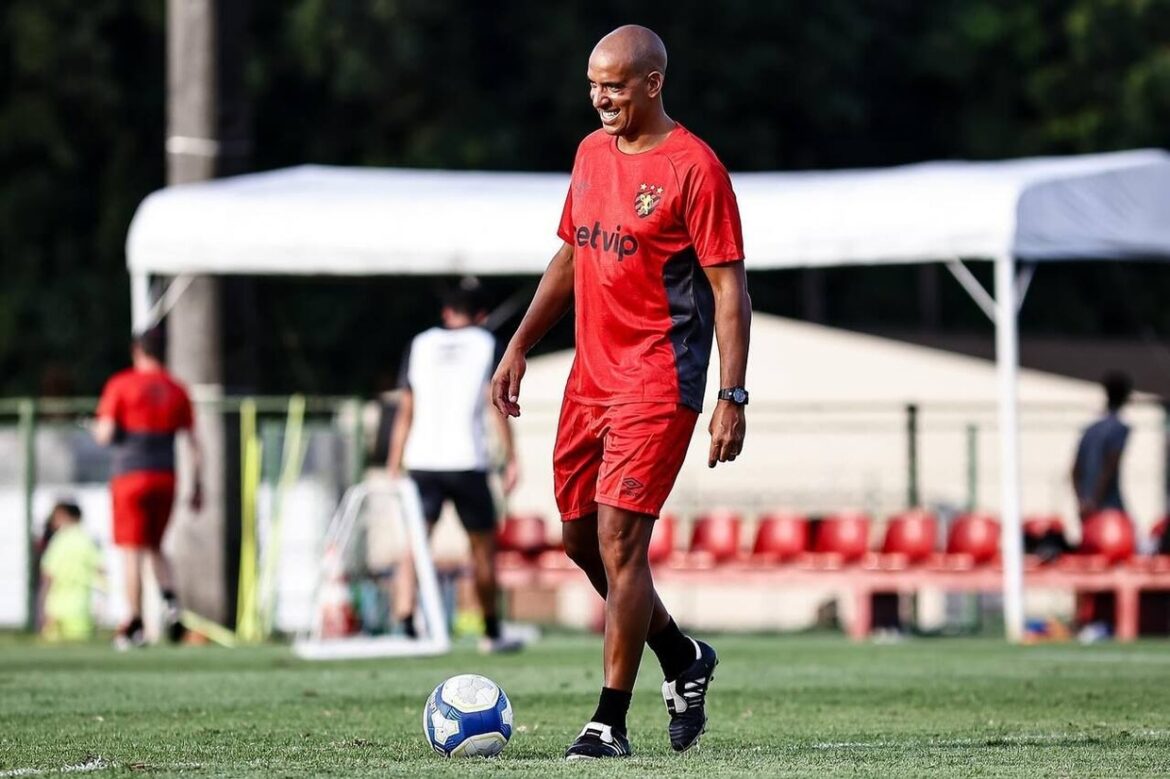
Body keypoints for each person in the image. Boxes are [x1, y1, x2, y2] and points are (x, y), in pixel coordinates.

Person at [491, 25, 751, 760]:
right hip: (588, 382)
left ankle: (608, 720)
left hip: (658, 382)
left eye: (614, 83)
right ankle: (682, 657)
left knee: (620, 540)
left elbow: (730, 290)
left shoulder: (695, 168)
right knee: (579, 541)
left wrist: (732, 392)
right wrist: (517, 345)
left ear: (653, 83)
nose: (601, 96)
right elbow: (572, 254)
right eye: (593, 84)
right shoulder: (588, 153)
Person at [386, 281, 521, 653]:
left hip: (422, 460)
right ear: (482, 316)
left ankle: (404, 620)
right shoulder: (487, 344)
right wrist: (511, 459)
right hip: (468, 462)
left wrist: (393, 463)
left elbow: (405, 410)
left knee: (415, 544)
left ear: (446, 314)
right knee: (481, 549)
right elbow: (496, 406)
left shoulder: (420, 343)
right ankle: (491, 630)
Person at [94, 328, 202, 648]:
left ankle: (134, 623)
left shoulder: (121, 384)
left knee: (132, 551)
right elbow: (194, 443)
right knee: (156, 546)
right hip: (166, 477)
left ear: (136, 351)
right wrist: (198, 485)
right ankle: (171, 602)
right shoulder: (177, 389)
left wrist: (101, 431)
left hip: (130, 476)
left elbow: (105, 433)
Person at [1071, 372, 1133, 521]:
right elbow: (1110, 466)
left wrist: (1082, 502)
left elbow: (1075, 471)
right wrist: (1095, 501)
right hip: (1107, 505)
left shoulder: (1090, 429)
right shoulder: (1119, 428)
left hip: (1088, 505)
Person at [39, 502, 103, 642]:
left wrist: (42, 607)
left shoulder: (57, 541)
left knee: (52, 656)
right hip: (79, 608)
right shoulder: (87, 540)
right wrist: (102, 604)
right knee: (79, 649)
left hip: (54, 608)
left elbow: (47, 576)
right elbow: (100, 571)